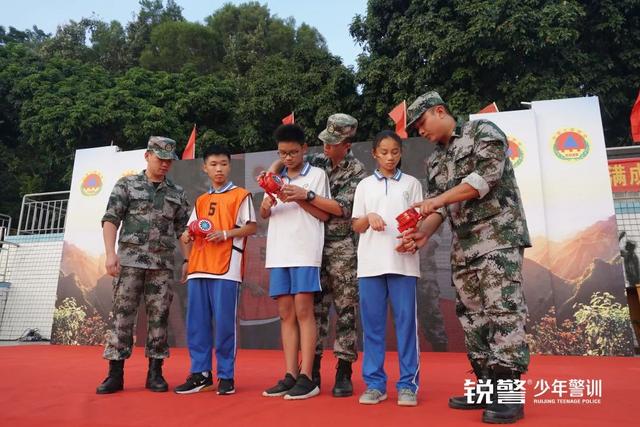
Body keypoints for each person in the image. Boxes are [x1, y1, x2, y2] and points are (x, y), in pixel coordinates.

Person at [402, 91, 531, 423]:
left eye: (421, 123)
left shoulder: (482, 132)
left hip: (498, 238)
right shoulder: (435, 161)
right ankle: (487, 387)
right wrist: (423, 233)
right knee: (472, 317)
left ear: (439, 111)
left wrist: (437, 201)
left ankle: (509, 395)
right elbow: (439, 208)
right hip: (464, 247)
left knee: (503, 311)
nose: (420, 131)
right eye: (415, 129)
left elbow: (483, 179)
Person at [266, 113, 366, 397]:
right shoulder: (316, 160)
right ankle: (311, 370)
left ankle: (344, 370)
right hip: (308, 245)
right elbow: (285, 160)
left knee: (345, 308)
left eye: (333, 143)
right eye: (325, 141)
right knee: (313, 310)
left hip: (340, 245)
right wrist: (273, 172)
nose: (326, 147)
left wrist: (306, 196)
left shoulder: (356, 170)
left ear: (347, 144)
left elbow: (342, 209)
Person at [97, 136, 190, 394]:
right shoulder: (127, 185)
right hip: (129, 263)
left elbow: (183, 230)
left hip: (161, 265)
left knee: (159, 318)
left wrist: (188, 259)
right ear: (147, 156)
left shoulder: (177, 193)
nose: (165, 164)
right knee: (122, 317)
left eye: (169, 160)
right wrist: (110, 254)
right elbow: (111, 219)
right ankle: (115, 374)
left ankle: (155, 373)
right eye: (161, 159)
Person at [174, 144, 257, 395]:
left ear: (229, 166)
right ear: (205, 168)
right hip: (199, 266)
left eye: (223, 164)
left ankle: (226, 375)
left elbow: (251, 227)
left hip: (226, 267)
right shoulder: (201, 200)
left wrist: (225, 233)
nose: (218, 169)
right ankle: (200, 374)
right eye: (213, 164)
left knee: (224, 324)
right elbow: (190, 230)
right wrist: (187, 241)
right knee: (197, 324)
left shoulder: (240, 195)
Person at [352, 130, 423, 407]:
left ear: (401, 152)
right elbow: (356, 225)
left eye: (394, 152)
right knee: (372, 328)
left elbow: (419, 222)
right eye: (384, 152)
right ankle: (374, 385)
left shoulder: (412, 184)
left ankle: (408, 385)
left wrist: (411, 235)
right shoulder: (364, 185)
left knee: (406, 326)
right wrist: (369, 217)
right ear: (374, 154)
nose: (389, 157)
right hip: (370, 265)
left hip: (404, 263)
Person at [260, 124, 332, 400]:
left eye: (293, 152)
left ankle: (307, 376)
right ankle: (290, 374)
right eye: (282, 153)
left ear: (304, 149)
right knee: (285, 314)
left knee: (304, 311)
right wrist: (266, 205)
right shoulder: (274, 177)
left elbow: (324, 215)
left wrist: (298, 197)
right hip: (279, 252)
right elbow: (265, 213)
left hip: (304, 250)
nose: (288, 157)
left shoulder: (316, 175)